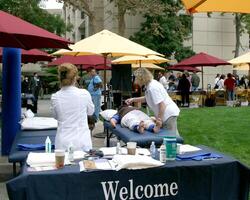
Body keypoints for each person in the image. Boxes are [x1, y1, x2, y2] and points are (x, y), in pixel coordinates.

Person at [51, 63, 94, 151]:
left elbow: (56, 117)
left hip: (63, 142)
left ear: (60, 78)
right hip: (82, 140)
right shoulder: (84, 93)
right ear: (75, 78)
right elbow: (90, 112)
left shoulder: (55, 97)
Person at [125, 67, 180, 136]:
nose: (135, 80)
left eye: (136, 78)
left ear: (141, 78)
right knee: (174, 137)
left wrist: (158, 122)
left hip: (168, 114)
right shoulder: (150, 84)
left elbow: (162, 106)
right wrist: (133, 99)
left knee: (170, 139)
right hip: (168, 114)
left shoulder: (152, 87)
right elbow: (147, 98)